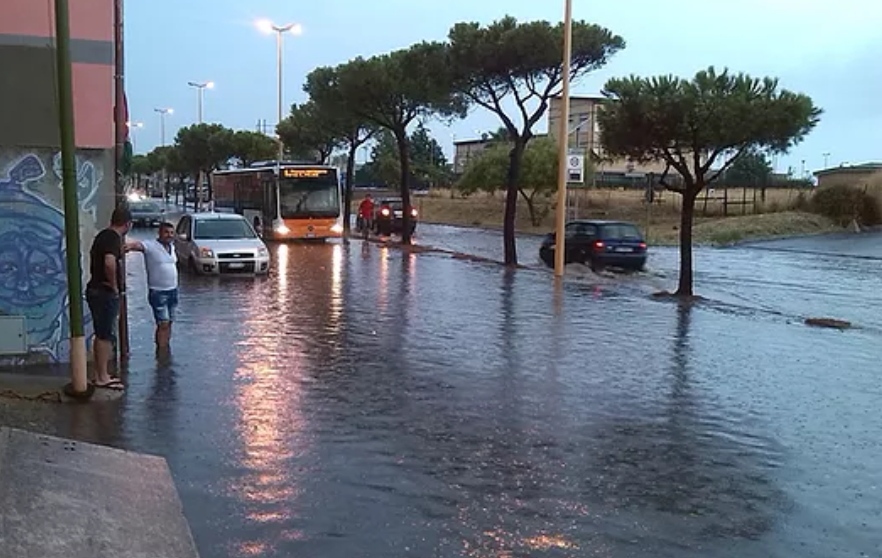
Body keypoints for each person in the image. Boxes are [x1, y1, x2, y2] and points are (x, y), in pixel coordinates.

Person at [85, 205, 132, 390]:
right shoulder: (113, 238)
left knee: (101, 333)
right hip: (104, 292)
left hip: (95, 290)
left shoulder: (103, 236)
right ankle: (102, 377)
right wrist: (113, 286)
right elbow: (109, 263)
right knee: (104, 335)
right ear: (128, 224)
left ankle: (100, 374)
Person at [125, 222, 178, 351]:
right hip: (158, 292)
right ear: (159, 233)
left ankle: (166, 348)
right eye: (166, 232)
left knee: (170, 322)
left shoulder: (172, 247)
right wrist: (125, 246)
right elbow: (137, 245)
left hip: (173, 290)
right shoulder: (151, 245)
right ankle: (160, 351)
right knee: (163, 323)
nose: (169, 235)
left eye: (171, 233)